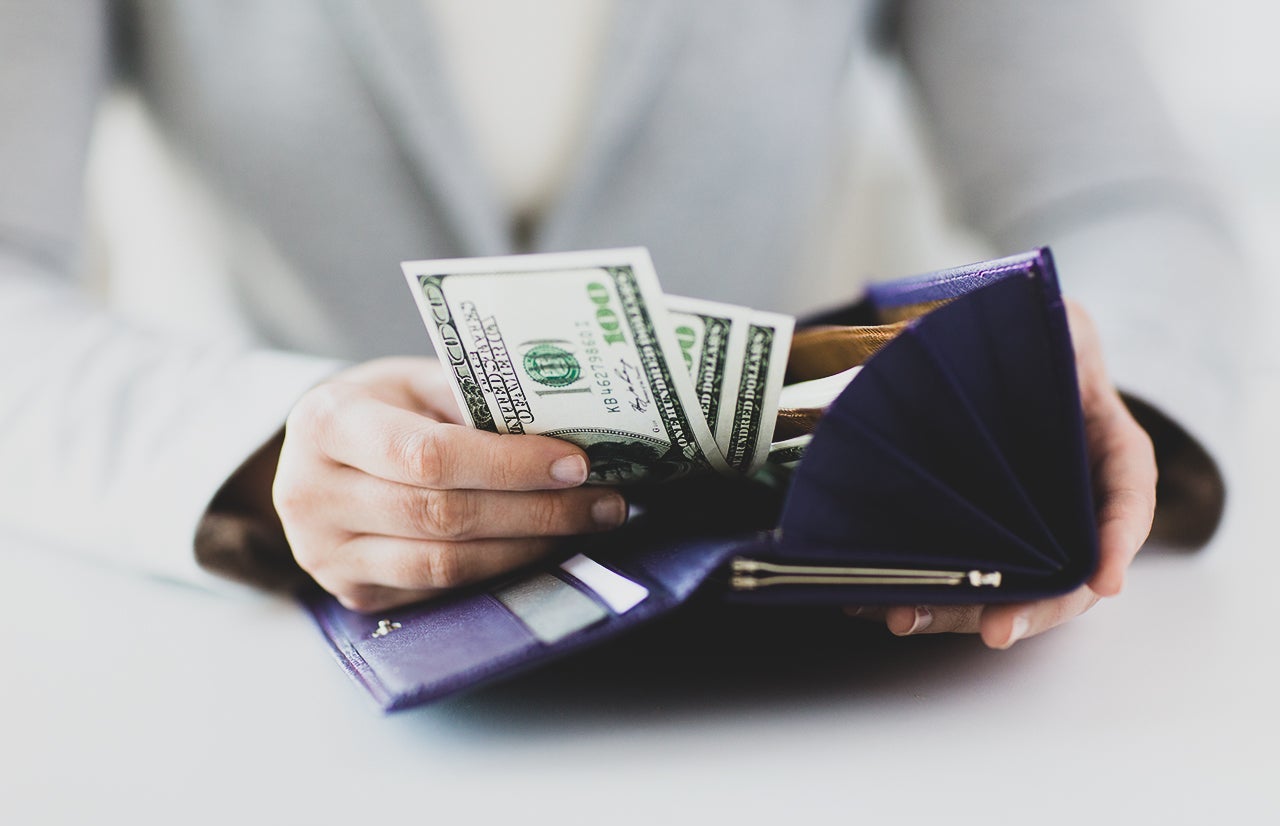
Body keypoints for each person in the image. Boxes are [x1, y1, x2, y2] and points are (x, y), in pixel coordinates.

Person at [0, 1, 1245, 649]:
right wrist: (262, 450)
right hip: (258, 663)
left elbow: (1119, 194)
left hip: (799, 669)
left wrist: (1062, 403)